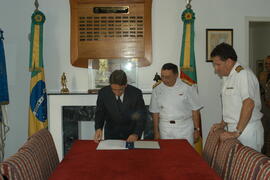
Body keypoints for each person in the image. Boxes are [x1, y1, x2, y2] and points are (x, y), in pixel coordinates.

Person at [210, 43, 264, 152]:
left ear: (229, 62)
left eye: (218, 64)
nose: (216, 69)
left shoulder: (243, 74)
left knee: (249, 167)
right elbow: (230, 105)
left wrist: (237, 132)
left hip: (247, 130)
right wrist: (222, 123)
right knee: (235, 167)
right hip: (234, 128)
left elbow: (249, 104)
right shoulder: (227, 77)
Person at [149, 63, 202, 145]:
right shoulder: (157, 88)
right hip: (165, 128)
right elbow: (155, 112)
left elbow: (195, 109)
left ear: (176, 75)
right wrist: (156, 132)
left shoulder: (187, 87)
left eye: (168, 77)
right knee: (167, 155)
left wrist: (196, 129)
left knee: (186, 155)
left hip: (185, 127)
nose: (164, 80)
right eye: (162, 76)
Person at [94, 70, 147, 143]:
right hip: (111, 134)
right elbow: (100, 113)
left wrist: (136, 134)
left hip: (131, 134)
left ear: (125, 85)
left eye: (120, 90)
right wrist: (98, 128)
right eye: (114, 90)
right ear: (110, 85)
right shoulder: (103, 93)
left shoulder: (136, 93)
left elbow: (141, 116)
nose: (117, 93)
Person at [259, 56, 270, 155]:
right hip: (264, 110)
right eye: (266, 64)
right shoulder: (262, 75)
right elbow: (260, 90)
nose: (267, 66)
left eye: (269, 64)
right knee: (264, 134)